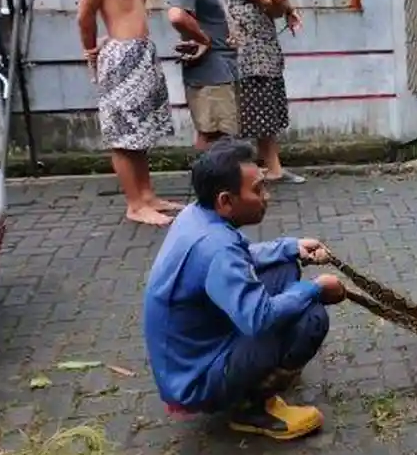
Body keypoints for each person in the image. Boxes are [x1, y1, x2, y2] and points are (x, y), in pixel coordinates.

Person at [143, 138, 348, 439]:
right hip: (197, 379)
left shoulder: (196, 215)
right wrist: (315, 289)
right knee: (309, 316)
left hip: (196, 350)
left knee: (285, 266)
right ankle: (250, 407)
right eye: (257, 190)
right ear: (225, 201)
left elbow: (241, 257)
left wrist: (290, 247)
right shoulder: (216, 249)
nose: (266, 197)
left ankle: (261, 373)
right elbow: (261, 317)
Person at [76, 0, 181, 227]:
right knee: (122, 133)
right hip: (118, 55)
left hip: (142, 50)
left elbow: (131, 8)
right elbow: (85, 14)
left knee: (142, 129)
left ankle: (148, 195)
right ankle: (134, 204)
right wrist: (92, 49)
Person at [219, 0, 307, 185]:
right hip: (251, 58)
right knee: (257, 118)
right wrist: (282, 5)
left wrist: (282, 7)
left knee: (267, 118)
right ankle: (254, 171)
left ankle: (274, 169)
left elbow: (275, 6)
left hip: (265, 57)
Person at [167, 0, 239, 150]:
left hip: (221, 66)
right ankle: (214, 185)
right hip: (210, 70)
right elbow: (177, 15)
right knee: (215, 135)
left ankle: (216, 184)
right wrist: (204, 39)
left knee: (218, 134)